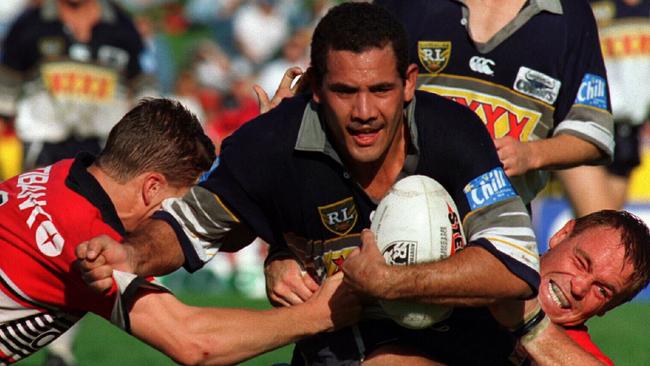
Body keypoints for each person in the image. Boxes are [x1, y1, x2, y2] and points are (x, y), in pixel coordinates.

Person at [77, 3, 541, 365]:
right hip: (333, 351)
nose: (364, 112)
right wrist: (132, 254)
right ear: (316, 87)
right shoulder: (268, 141)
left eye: (380, 90)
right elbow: (187, 227)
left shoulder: (455, 132)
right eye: (344, 91)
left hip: (459, 346)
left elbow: (516, 266)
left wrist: (390, 282)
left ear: (409, 83)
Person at [0, 98, 360, 365]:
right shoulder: (83, 238)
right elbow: (194, 342)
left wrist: (259, 160)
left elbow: (212, 234)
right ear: (151, 188)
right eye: (182, 206)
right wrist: (321, 313)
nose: (186, 221)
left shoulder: (64, 175)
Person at [374, 0, 614, 207]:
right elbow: (358, 90)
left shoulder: (568, 15)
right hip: (399, 206)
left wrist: (529, 154)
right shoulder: (406, 5)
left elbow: (592, 134)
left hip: (500, 223)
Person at [345, 209, 650, 365]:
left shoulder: (571, 348)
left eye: (603, 291)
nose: (580, 286)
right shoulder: (466, 264)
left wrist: (531, 324)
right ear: (561, 235)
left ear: (608, 309)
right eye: (581, 262)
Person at [0, 0, 156, 171]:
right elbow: (6, 86)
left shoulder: (123, 27)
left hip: (105, 146)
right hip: (42, 144)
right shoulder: (29, 25)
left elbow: (143, 86)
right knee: (46, 198)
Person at [555, 0, 650, 217]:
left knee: (600, 225)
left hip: (628, 132)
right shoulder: (589, 6)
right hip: (582, 121)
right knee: (601, 219)